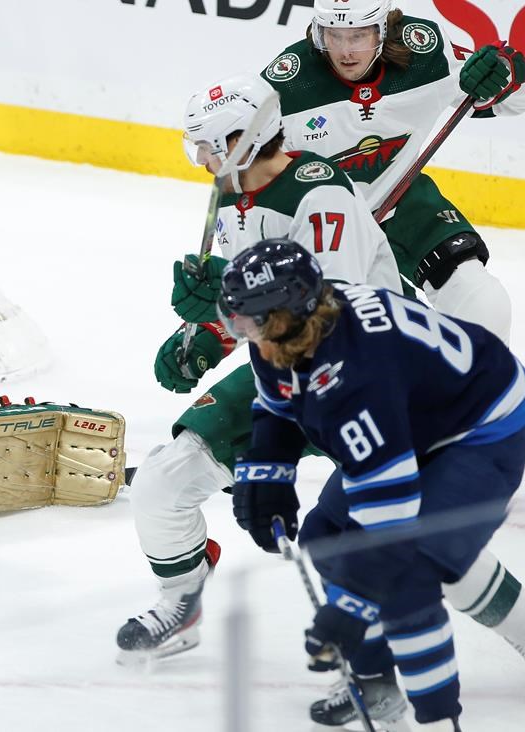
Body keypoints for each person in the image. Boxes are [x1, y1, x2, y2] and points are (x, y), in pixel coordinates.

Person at [117, 71, 401, 664]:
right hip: (284, 368)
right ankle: (182, 603)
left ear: (246, 139)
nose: (199, 157)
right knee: (162, 483)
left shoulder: (318, 195)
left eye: (209, 144)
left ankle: (382, 653)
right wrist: (204, 335)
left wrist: (225, 300)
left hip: (367, 376)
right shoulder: (233, 195)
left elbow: (328, 312)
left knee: (356, 533)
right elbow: (256, 307)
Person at [224, 238, 525, 731]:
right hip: (414, 417)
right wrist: (269, 468)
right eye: (237, 319)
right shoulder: (283, 334)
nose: (244, 332)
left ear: (292, 314)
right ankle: (376, 686)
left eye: (253, 321)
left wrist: (351, 607)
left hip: (478, 428)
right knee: (325, 540)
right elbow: (278, 404)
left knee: (406, 575)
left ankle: (438, 722)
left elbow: (390, 517)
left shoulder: (356, 375)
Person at [259, 0, 525, 452]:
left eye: (359, 36)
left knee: (482, 299)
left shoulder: (424, 51)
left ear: (383, 28)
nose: (346, 50)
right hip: (331, 225)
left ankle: (477, 418)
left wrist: (509, 71)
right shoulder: (285, 85)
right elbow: (250, 182)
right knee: (349, 345)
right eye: (335, 35)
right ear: (317, 33)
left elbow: (524, 96)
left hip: (403, 197)